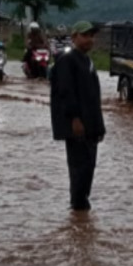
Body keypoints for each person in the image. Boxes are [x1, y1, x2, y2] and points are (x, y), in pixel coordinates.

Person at [50, 21, 106, 213]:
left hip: (91, 126)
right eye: (85, 35)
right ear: (74, 37)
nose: (89, 39)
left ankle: (82, 210)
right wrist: (74, 119)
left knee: (88, 167)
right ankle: (78, 208)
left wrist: (99, 127)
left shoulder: (86, 60)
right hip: (78, 126)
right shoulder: (68, 60)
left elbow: (93, 97)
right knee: (79, 169)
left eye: (91, 36)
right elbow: (66, 92)